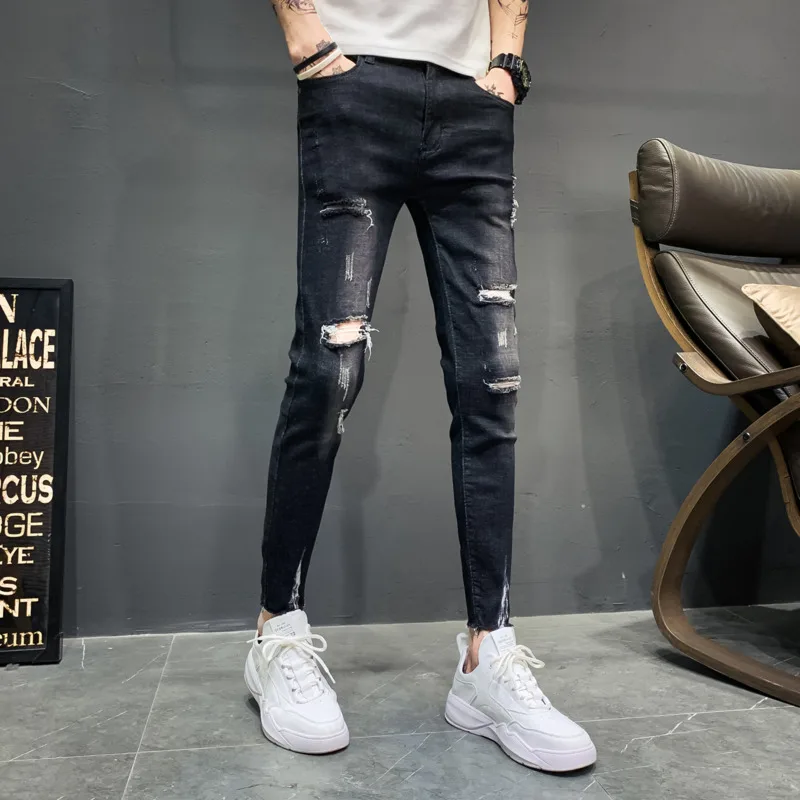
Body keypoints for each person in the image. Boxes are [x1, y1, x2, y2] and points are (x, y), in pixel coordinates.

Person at [244, 0, 597, 772]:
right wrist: (304, 34)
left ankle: (486, 655)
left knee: (493, 382)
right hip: (352, 83)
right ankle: (278, 631)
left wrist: (507, 61)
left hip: (474, 99)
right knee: (328, 372)